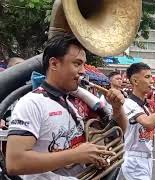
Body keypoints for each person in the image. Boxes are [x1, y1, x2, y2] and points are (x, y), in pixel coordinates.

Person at [5, 34, 127, 179]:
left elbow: (117, 133)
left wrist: (117, 108)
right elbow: (14, 163)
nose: (83, 71)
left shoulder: (78, 100)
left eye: (83, 64)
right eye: (77, 63)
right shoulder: (31, 103)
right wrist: (75, 155)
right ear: (54, 64)